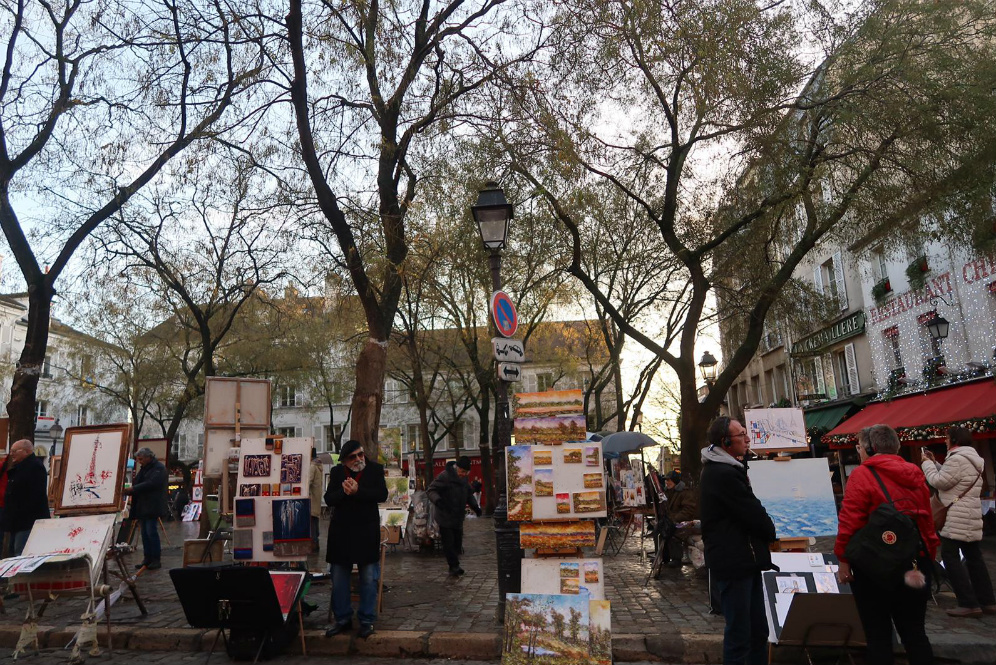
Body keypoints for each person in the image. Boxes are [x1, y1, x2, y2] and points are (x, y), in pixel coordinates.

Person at [835, 424, 939, 665]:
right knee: (914, 632)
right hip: (914, 560)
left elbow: (850, 520)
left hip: (875, 563)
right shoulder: (915, 473)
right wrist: (928, 555)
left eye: (860, 447)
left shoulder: (863, 474)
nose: (858, 452)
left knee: (878, 634)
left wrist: (843, 559)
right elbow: (926, 521)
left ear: (871, 449)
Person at [699, 417, 776, 665]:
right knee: (741, 632)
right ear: (726, 442)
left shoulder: (727, 469)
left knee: (756, 630)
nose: (747, 439)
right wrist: (770, 532)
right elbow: (751, 512)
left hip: (744, 560)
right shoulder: (722, 473)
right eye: (741, 434)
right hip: (735, 562)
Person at [922, 426, 994, 617]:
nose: (944, 441)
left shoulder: (957, 459)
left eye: (946, 438)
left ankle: (968, 602)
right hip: (970, 513)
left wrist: (927, 465)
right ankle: (987, 600)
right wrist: (936, 463)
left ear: (953, 439)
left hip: (955, 516)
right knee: (974, 557)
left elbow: (939, 482)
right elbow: (953, 478)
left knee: (951, 557)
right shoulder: (974, 459)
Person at [324, 440, 387, 639]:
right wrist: (344, 492)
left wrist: (358, 491)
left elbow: (381, 494)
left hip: (366, 532)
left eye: (360, 454)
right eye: (353, 457)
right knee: (339, 578)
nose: (359, 459)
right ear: (344, 461)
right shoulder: (336, 473)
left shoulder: (375, 470)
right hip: (341, 533)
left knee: (368, 578)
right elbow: (329, 499)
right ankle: (342, 619)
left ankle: (367, 620)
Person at [427, 456, 482, 576]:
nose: (463, 474)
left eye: (466, 472)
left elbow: (469, 494)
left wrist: (475, 507)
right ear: (457, 468)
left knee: (457, 543)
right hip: (444, 514)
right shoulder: (445, 476)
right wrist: (438, 501)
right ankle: (453, 566)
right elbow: (431, 490)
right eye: (462, 471)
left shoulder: (464, 480)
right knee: (449, 542)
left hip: (457, 516)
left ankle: (455, 563)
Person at [1, 439, 50, 556]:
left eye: (14, 451)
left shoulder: (34, 467)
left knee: (21, 553)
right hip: (18, 522)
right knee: (14, 553)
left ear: (26, 451)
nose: (11, 453)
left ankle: (20, 574)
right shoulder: (21, 467)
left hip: (27, 522)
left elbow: (34, 496)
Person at [123, 447, 168, 570]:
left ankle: (155, 559)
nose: (139, 461)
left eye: (141, 459)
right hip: (143, 506)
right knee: (145, 533)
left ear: (149, 457)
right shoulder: (145, 469)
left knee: (151, 532)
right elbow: (139, 483)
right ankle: (147, 558)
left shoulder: (159, 468)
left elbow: (151, 483)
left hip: (152, 505)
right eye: (138, 459)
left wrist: (133, 489)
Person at [662, 470, 697, 567]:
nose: (667, 482)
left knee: (673, 531)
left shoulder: (685, 492)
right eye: (666, 480)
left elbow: (688, 510)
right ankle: (663, 557)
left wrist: (675, 519)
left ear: (675, 481)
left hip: (684, 521)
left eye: (669, 480)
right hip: (672, 519)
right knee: (659, 528)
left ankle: (676, 559)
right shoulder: (668, 491)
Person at [309, 449, 324, 554]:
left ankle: (313, 544)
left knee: (311, 522)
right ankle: (316, 542)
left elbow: (308, 482)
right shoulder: (319, 466)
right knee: (315, 521)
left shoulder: (312, 466)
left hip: (311, 499)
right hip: (317, 499)